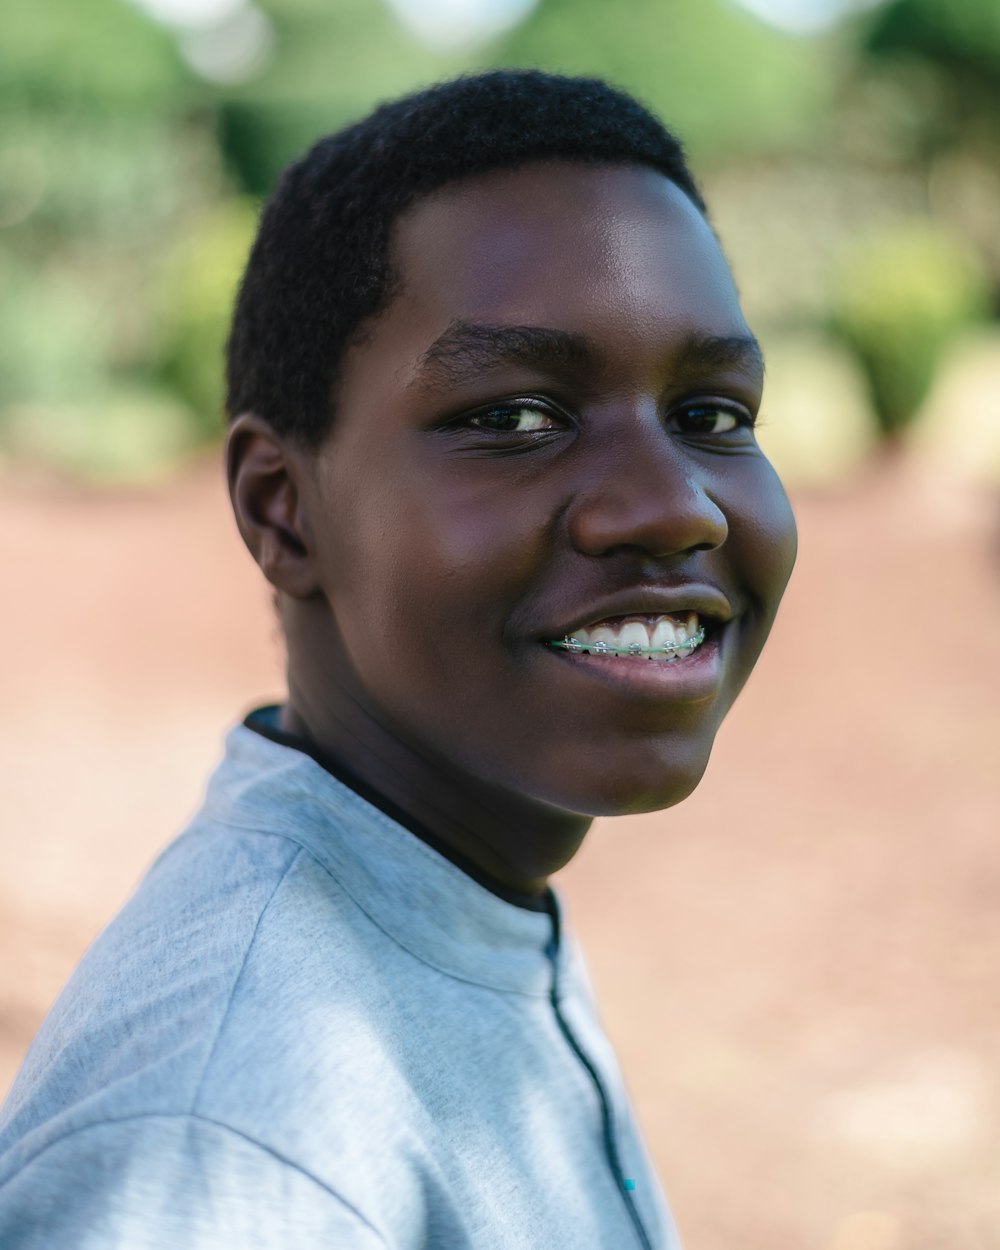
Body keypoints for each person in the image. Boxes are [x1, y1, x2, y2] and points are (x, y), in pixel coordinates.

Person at [0, 69, 797, 1248]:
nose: (673, 507)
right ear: (285, 510)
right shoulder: (232, 1141)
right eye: (517, 415)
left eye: (712, 415)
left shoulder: (456, 891)